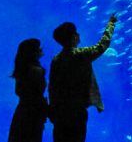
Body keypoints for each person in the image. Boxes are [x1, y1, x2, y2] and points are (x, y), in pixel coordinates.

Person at [49, 14, 117, 142]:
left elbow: (52, 87)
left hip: (60, 113)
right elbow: (102, 46)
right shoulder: (80, 54)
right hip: (76, 111)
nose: (79, 35)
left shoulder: (56, 60)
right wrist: (111, 24)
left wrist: (53, 110)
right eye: (76, 33)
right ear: (73, 37)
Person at [8, 38, 49, 142]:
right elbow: (37, 96)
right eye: (38, 48)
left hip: (21, 112)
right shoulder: (37, 71)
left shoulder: (21, 71)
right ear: (33, 52)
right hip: (33, 115)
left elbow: (19, 92)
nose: (41, 50)